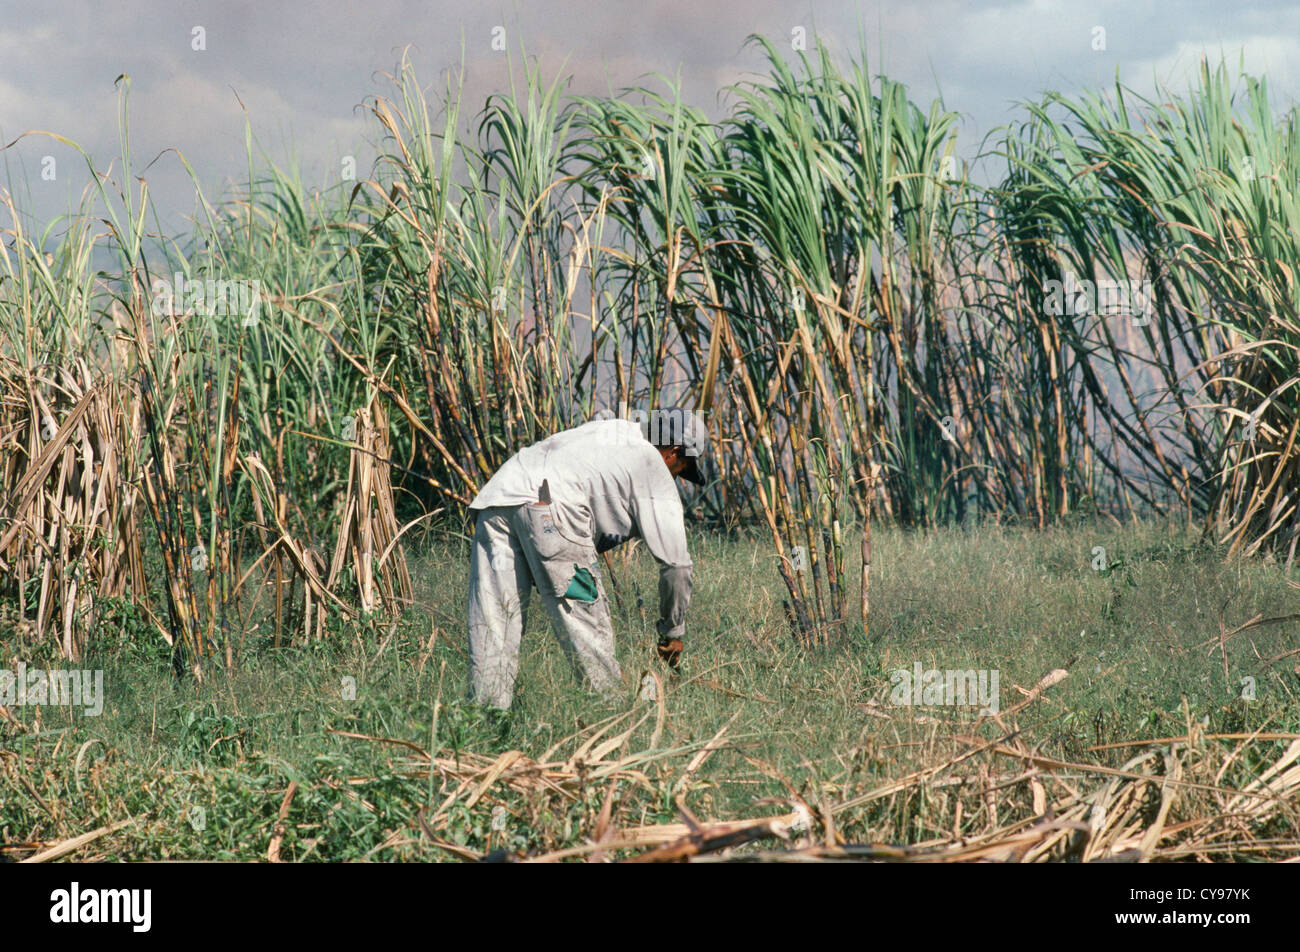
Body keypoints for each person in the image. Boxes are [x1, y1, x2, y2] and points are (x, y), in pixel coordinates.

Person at [465, 407, 707, 709]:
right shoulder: (652, 464)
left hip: (499, 497)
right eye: (681, 469)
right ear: (672, 453)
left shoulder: (612, 431)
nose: (677, 478)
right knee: (589, 631)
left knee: (494, 622)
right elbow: (676, 566)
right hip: (551, 507)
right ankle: (610, 725)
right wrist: (672, 631)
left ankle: (484, 722)